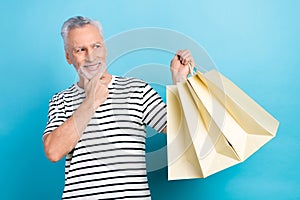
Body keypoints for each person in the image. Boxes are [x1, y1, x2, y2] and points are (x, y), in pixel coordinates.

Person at [43, 16, 195, 200]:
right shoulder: (61, 100)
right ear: (68, 56)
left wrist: (180, 82)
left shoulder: (137, 90)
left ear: (105, 48)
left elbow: (182, 132)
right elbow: (53, 151)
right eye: (80, 50)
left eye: (96, 46)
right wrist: (91, 102)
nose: (91, 56)